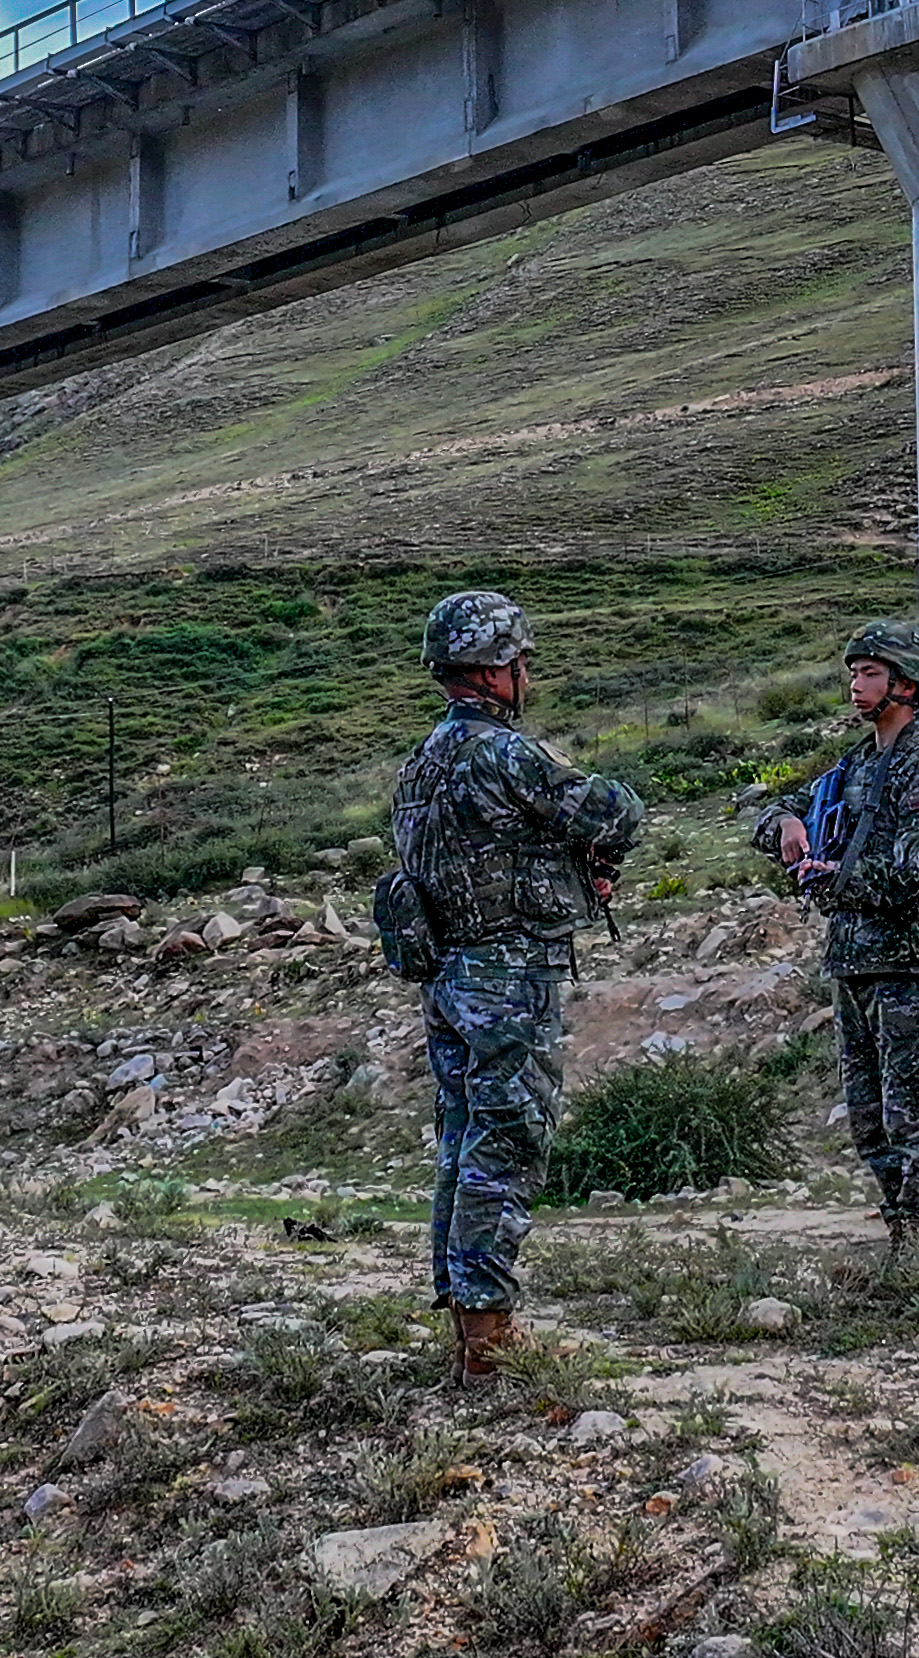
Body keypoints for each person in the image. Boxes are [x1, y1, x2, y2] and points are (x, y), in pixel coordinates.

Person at [384, 587, 648, 1381]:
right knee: (507, 1144)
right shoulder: (504, 752)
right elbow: (614, 811)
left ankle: (469, 1321)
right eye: (521, 662)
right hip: (506, 976)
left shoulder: (418, 764)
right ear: (495, 670)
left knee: (465, 1143)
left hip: (447, 980)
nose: (527, 674)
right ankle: (489, 1342)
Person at [769, 617, 919, 1250]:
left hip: (904, 964)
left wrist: (838, 879)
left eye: (870, 673)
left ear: (906, 685)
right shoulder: (855, 763)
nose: (856, 684)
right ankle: (901, 1229)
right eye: (854, 672)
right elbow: (775, 812)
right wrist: (789, 824)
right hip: (853, 962)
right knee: (870, 1117)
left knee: (914, 1111)